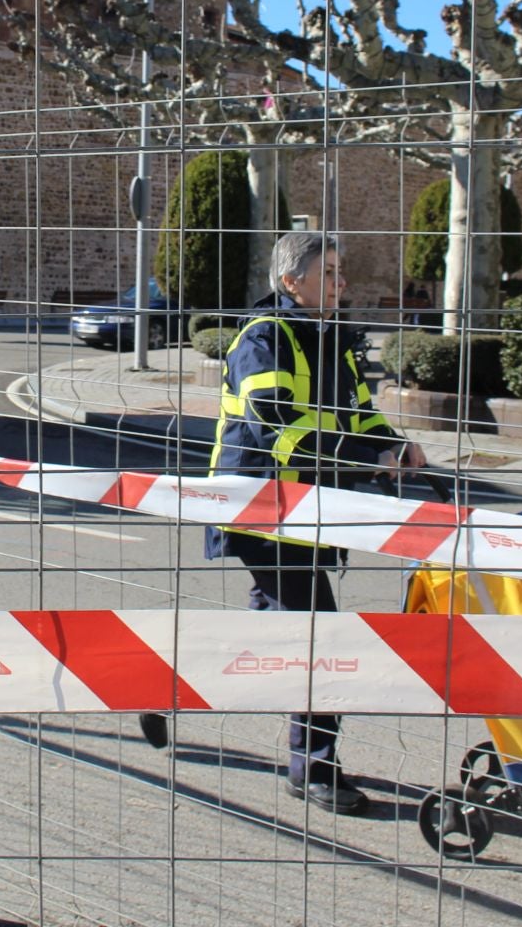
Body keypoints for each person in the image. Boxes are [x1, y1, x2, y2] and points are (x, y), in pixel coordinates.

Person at [140, 231, 425, 817]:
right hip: (259, 508)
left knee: (269, 635)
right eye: (329, 273)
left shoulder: (335, 341)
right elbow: (278, 427)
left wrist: (396, 446)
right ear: (291, 281)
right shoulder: (262, 339)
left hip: (312, 505)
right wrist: (365, 458)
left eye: (343, 272)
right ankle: (313, 768)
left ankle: (163, 686)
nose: (341, 283)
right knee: (316, 633)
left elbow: (361, 415)